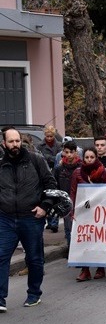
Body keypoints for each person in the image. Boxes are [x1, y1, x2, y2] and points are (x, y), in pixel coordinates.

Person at [0, 128, 57, 311]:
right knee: (1, 257)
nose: (15, 145)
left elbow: (51, 184)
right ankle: (0, 299)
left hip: (31, 218)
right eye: (11, 141)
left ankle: (34, 294)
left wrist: (45, 206)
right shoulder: (1, 164)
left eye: (17, 141)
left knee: (34, 258)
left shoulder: (35, 160)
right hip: (5, 219)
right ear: (4, 144)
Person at [69, 147, 106, 281]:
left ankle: (100, 267)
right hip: (83, 211)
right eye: (86, 157)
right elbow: (73, 192)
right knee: (84, 239)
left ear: (96, 158)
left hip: (100, 211)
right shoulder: (77, 173)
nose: (89, 160)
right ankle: (85, 269)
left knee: (99, 239)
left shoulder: (104, 172)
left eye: (91, 157)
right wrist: (72, 210)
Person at [53, 141, 82, 247]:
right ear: (63, 153)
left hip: (80, 200)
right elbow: (54, 184)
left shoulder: (82, 167)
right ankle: (70, 249)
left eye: (71, 152)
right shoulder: (59, 169)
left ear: (76, 152)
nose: (69, 154)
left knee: (79, 226)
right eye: (66, 152)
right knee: (68, 227)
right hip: (65, 201)